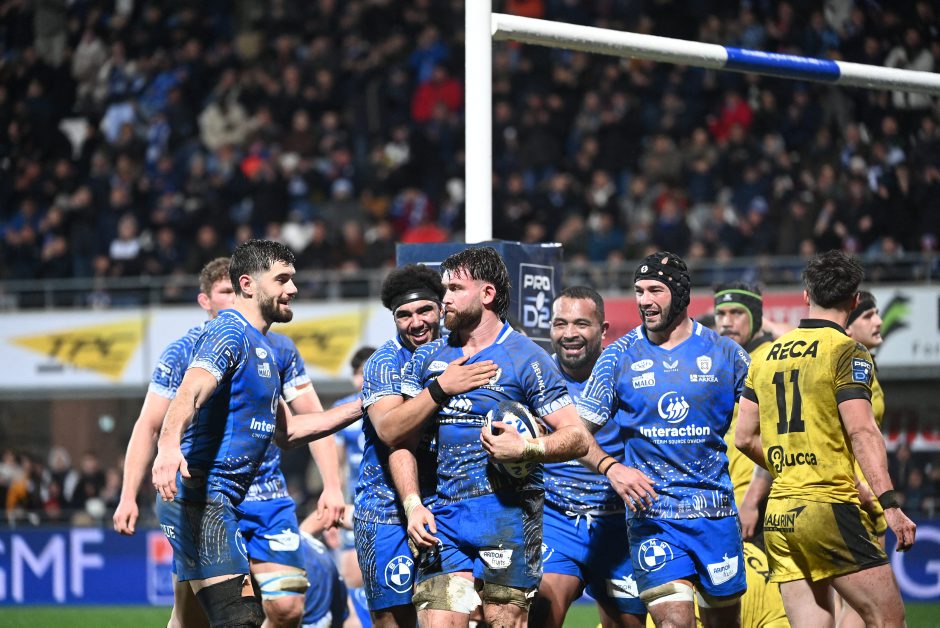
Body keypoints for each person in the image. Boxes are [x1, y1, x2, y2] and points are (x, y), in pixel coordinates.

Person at [114, 257, 349, 627]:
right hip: (206, 492)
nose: (231, 298)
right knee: (197, 618)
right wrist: (130, 492)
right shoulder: (187, 349)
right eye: (224, 291)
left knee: (286, 609)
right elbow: (152, 423)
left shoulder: (279, 349)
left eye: (234, 290)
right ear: (205, 300)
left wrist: (333, 484)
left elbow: (299, 425)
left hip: (266, 497)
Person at [395, 246, 591, 628]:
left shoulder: (526, 357)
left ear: (487, 294)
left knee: (504, 622)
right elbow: (399, 439)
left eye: (455, 289)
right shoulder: (428, 358)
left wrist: (528, 447)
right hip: (442, 517)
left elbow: (577, 437)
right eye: (444, 289)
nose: (445, 298)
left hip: (507, 516)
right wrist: (413, 504)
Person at [735, 250, 916, 627]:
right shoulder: (847, 351)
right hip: (828, 508)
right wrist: (889, 505)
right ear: (853, 300)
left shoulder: (765, 357)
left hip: (780, 516)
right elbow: (862, 431)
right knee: (887, 618)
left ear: (806, 295)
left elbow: (744, 437)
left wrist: (790, 466)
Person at [577, 251, 749, 628]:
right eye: (639, 291)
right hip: (653, 518)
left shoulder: (727, 355)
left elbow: (767, 423)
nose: (644, 300)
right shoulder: (617, 357)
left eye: (655, 290)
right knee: (674, 624)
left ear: (681, 294)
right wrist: (611, 468)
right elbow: (575, 435)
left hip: (715, 515)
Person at [352, 263, 497, 627]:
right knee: (394, 622)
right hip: (386, 513)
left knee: (467, 612)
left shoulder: (462, 351)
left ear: (440, 308)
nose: (416, 322)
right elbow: (389, 430)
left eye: (424, 311)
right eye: (404, 315)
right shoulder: (384, 362)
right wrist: (441, 387)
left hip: (448, 509)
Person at [531, 286, 647, 628]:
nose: (569, 333)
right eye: (560, 324)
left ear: (603, 329)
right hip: (558, 521)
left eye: (581, 324)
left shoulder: (628, 377)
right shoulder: (534, 378)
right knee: (539, 616)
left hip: (618, 524)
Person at [713, 282, 789, 628]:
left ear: (756, 318)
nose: (726, 321)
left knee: (764, 605)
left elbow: (778, 439)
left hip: (757, 509)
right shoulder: (717, 361)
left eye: (736, 313)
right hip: (721, 506)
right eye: (721, 313)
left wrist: (752, 502)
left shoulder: (771, 361)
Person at [834, 291, 891, 628]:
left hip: (852, 494)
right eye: (868, 315)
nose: (878, 321)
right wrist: (864, 489)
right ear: (849, 327)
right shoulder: (851, 365)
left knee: (845, 606)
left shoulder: (860, 362)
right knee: (870, 609)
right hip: (859, 497)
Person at [334, 346, 376, 624]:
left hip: (387, 506)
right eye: (360, 372)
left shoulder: (395, 402)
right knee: (351, 579)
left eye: (369, 371)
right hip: (354, 507)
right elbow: (336, 467)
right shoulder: (342, 410)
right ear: (353, 376)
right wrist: (335, 508)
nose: (364, 378)